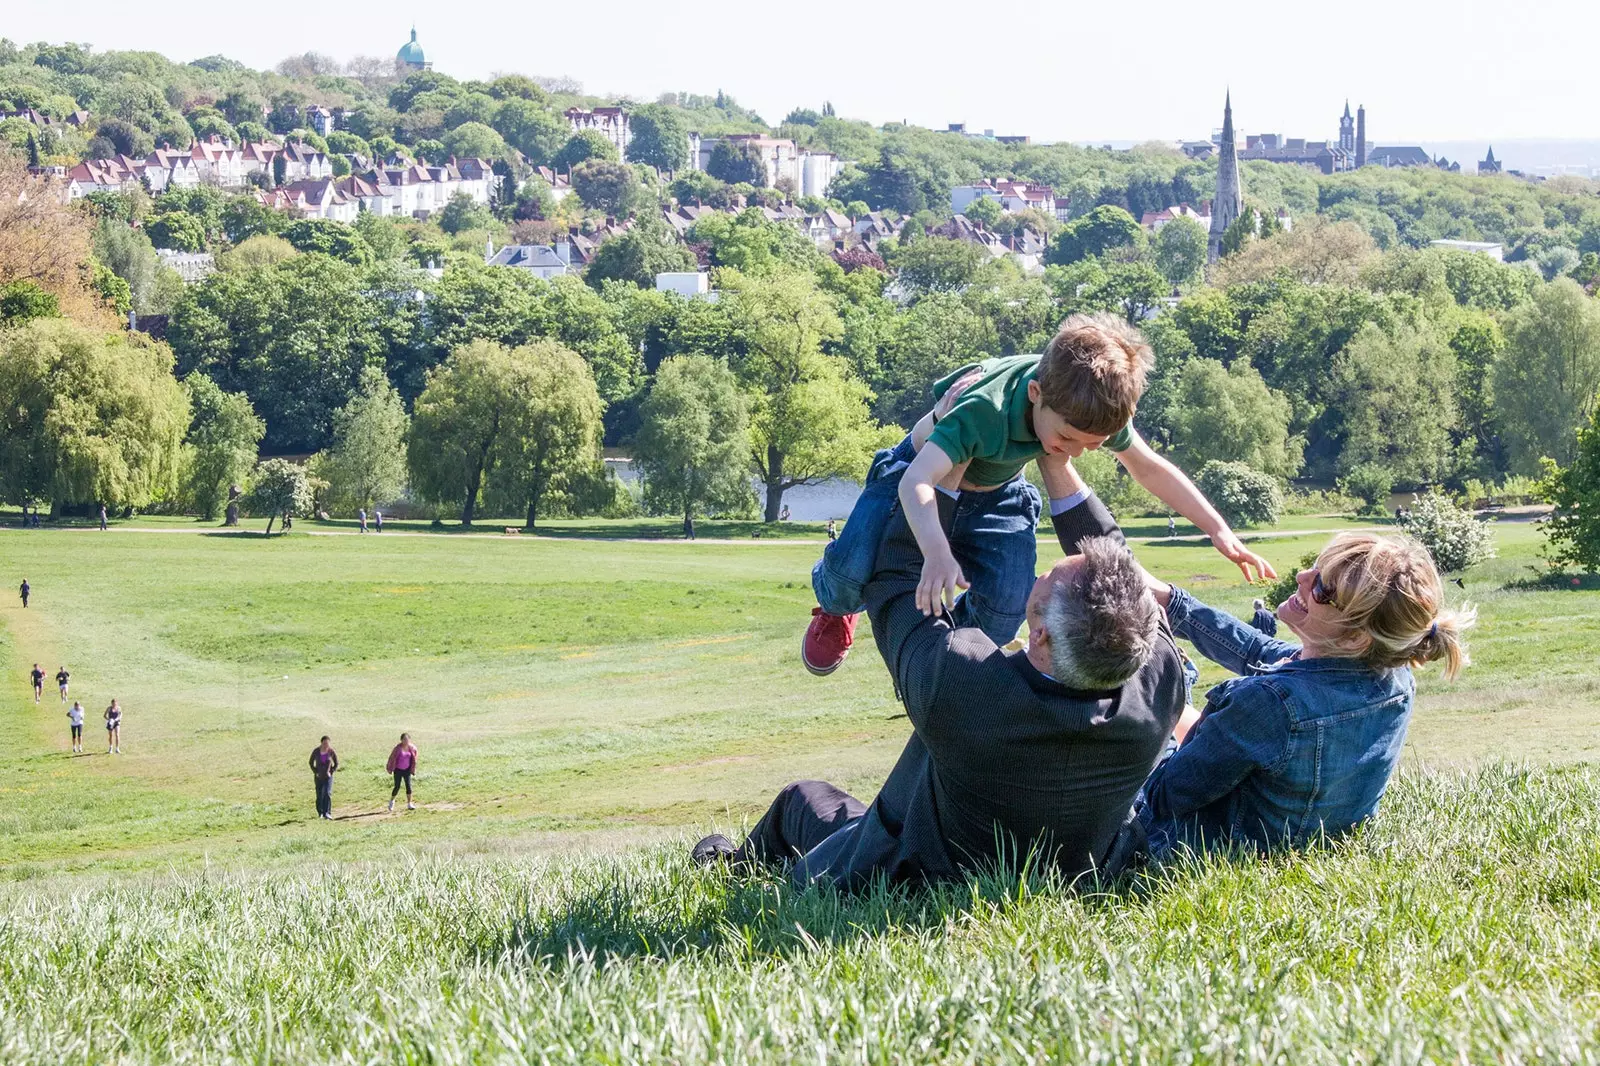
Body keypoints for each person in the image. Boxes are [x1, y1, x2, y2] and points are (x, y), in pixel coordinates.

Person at [694, 467, 1186, 889]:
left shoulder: (967, 688)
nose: (1035, 578)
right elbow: (1130, 573)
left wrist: (948, 464)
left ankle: (731, 870)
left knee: (799, 801)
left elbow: (897, 578)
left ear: (1040, 638)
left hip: (915, 871)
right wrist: (1056, 463)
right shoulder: (1157, 688)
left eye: (1042, 582)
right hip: (1074, 873)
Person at [802, 314, 1276, 676]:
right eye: (1068, 442)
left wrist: (1218, 529)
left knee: (1007, 610)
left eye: (1091, 446)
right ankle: (836, 605)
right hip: (914, 472)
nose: (1078, 453)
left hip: (997, 492)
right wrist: (936, 553)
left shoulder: (1090, 406)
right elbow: (916, 483)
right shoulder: (984, 410)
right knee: (848, 579)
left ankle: (949, 644)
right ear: (1035, 394)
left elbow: (1147, 467)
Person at [1132, 531, 1474, 860]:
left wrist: (1164, 676)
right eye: (1316, 566)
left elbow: (1162, 797)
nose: (1302, 576)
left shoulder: (1268, 703)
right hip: (1305, 838)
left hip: (1208, 848)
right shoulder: (1393, 673)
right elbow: (1259, 651)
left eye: (1323, 588)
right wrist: (1170, 601)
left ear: (1356, 637)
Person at [309, 736, 339, 819]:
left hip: (328, 777)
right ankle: (320, 813)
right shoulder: (316, 751)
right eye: (324, 743)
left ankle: (327, 812)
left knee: (327, 793)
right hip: (319, 777)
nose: (326, 745)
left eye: (327, 743)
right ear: (321, 743)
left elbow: (336, 763)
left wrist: (331, 771)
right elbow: (311, 762)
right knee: (319, 794)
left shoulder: (331, 751)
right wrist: (315, 772)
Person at [386, 733, 418, 811]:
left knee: (409, 786)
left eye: (407, 740)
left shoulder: (412, 748)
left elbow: (414, 758)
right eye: (404, 739)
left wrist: (413, 768)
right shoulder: (397, 749)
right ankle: (392, 801)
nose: (406, 741)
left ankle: (409, 803)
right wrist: (390, 768)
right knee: (397, 786)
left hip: (407, 770)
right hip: (398, 770)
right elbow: (392, 758)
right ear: (401, 740)